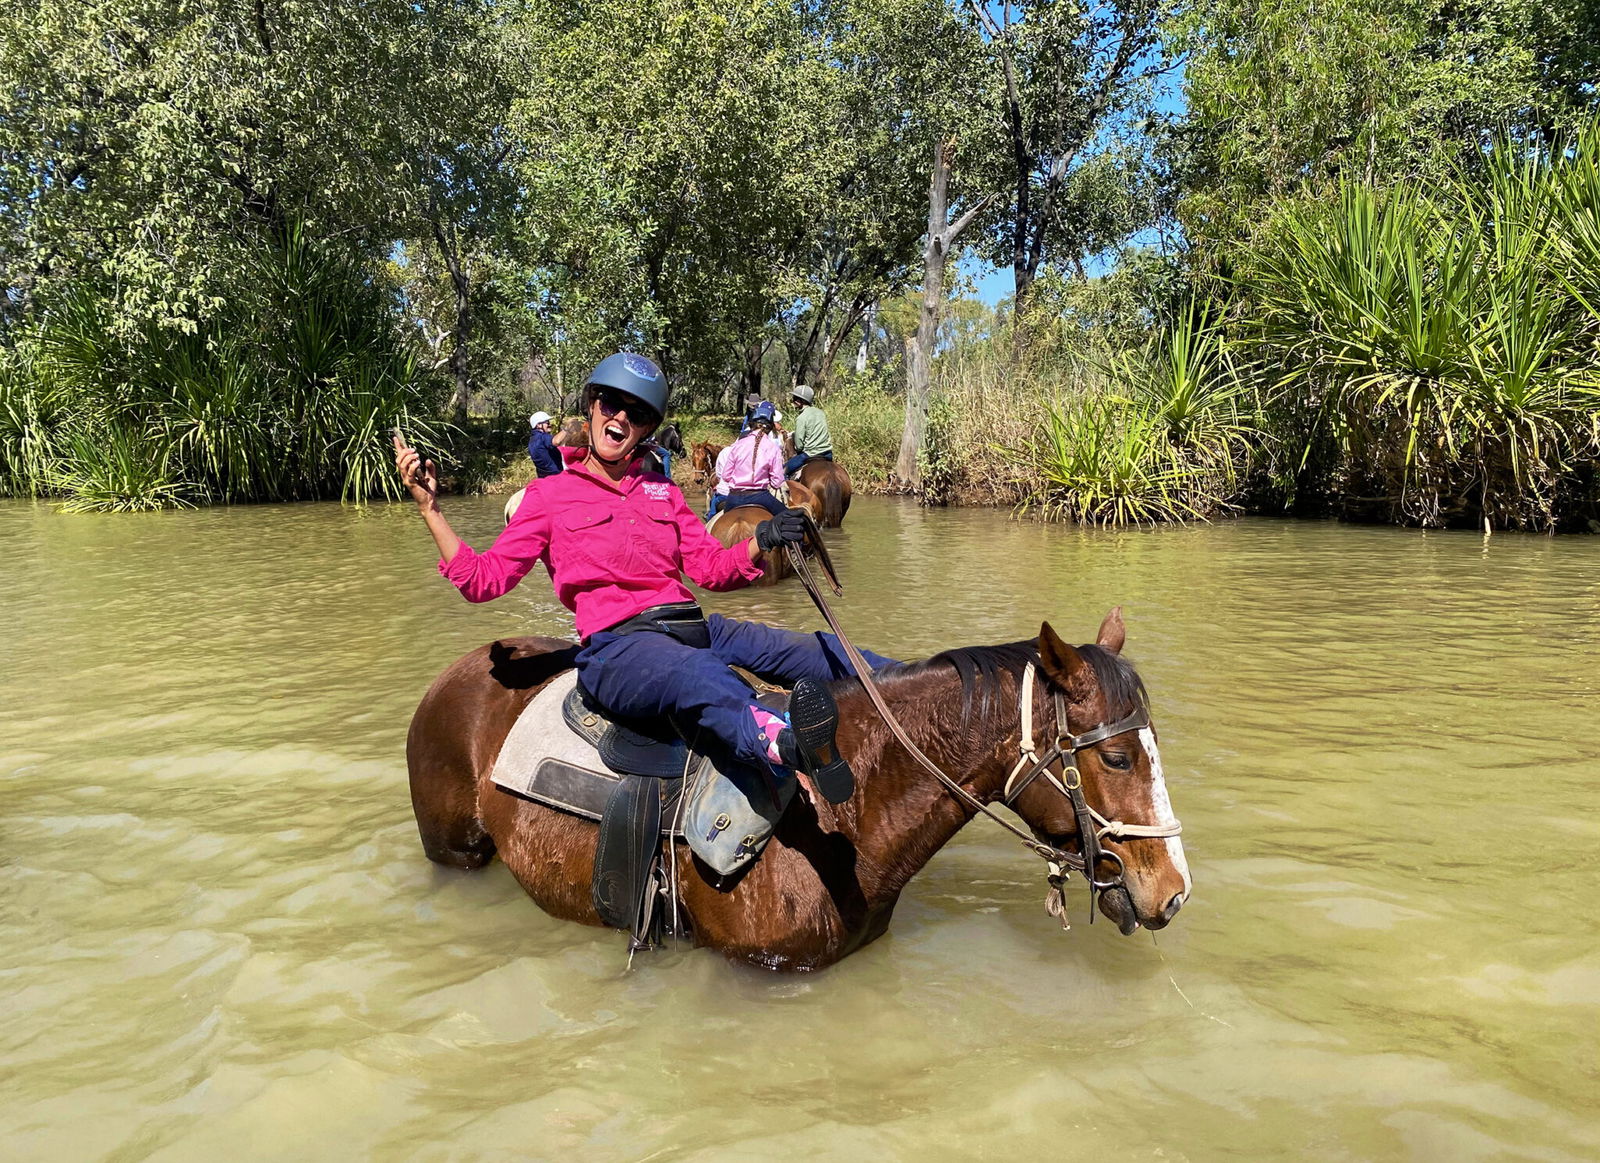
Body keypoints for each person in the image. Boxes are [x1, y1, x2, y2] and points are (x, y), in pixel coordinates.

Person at [393, 352, 896, 804]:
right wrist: (431, 509)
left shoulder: (663, 492)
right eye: (611, 403)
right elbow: (484, 580)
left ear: (647, 429)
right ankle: (785, 743)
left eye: (637, 414)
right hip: (619, 647)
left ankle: (916, 683)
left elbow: (708, 570)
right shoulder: (547, 497)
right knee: (700, 677)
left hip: (693, 626)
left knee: (807, 649)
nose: (621, 418)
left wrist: (762, 541)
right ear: (591, 407)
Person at [709, 402, 787, 519]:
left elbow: (725, 476)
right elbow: (777, 482)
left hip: (734, 499)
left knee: (714, 521)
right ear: (770, 427)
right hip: (761, 497)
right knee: (790, 517)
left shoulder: (738, 445)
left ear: (751, 425)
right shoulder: (773, 448)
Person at [784, 384, 833, 476]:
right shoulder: (820, 413)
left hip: (810, 454)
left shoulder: (801, 418)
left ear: (800, 401)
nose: (793, 401)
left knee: (782, 472)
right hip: (827, 453)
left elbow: (799, 445)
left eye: (794, 398)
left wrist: (797, 449)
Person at [526, 411, 564, 478]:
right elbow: (556, 441)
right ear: (539, 425)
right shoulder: (543, 437)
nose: (550, 424)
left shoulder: (531, 440)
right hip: (556, 478)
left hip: (543, 478)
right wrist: (568, 429)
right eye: (547, 423)